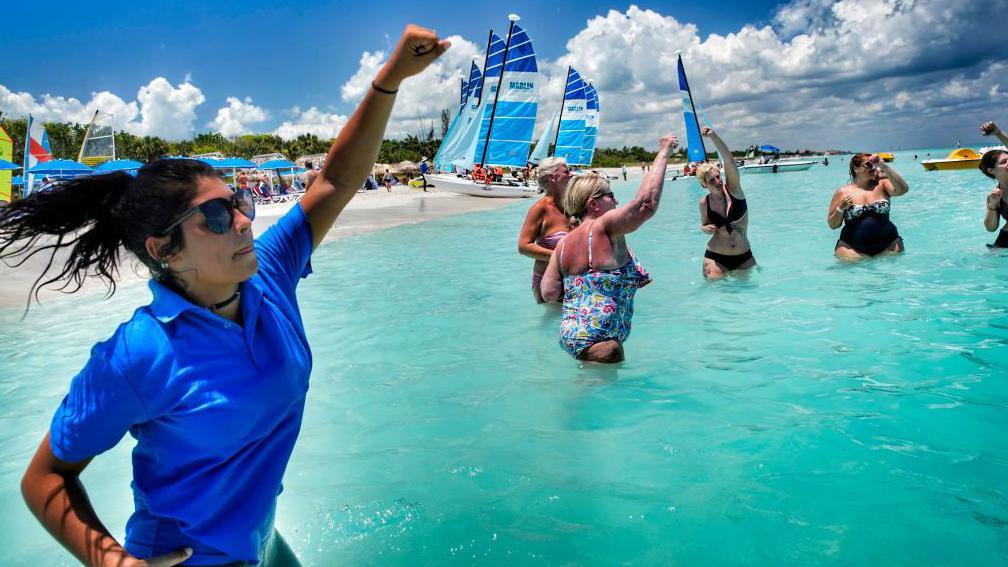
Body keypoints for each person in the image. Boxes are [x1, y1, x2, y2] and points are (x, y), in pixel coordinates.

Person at [9, 25, 448, 567]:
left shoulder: (268, 278)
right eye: (217, 217)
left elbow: (334, 180)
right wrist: (111, 562)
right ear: (165, 249)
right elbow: (45, 477)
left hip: (261, 541)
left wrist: (389, 81)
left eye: (238, 201)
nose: (243, 221)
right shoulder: (136, 355)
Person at [541, 134, 677, 363]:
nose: (615, 202)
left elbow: (549, 292)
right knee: (593, 390)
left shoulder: (563, 244)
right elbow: (645, 205)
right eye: (610, 196)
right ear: (593, 204)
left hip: (573, 335)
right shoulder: (602, 226)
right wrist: (664, 152)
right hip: (603, 343)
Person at [696, 127, 756, 278]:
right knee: (717, 299)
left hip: (744, 256)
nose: (717, 181)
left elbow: (729, 161)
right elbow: (704, 225)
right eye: (711, 180)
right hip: (715, 258)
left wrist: (714, 137)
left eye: (718, 176)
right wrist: (704, 228)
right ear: (704, 184)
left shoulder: (734, 190)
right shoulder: (704, 203)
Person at [827, 153, 909, 260]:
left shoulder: (882, 184)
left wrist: (884, 166)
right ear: (856, 168)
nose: (873, 167)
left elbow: (903, 189)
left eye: (874, 164)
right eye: (869, 165)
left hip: (890, 247)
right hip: (852, 251)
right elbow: (833, 225)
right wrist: (841, 208)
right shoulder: (843, 192)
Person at [517, 157, 572, 303]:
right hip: (547, 282)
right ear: (552, 178)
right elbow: (523, 246)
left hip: (573, 279)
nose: (571, 175)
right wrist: (559, 258)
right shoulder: (540, 209)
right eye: (566, 172)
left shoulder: (573, 205)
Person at [980, 121, 1008, 247]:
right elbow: (991, 228)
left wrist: (997, 132)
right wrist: (993, 205)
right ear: (991, 170)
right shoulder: (995, 196)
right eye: (1004, 162)